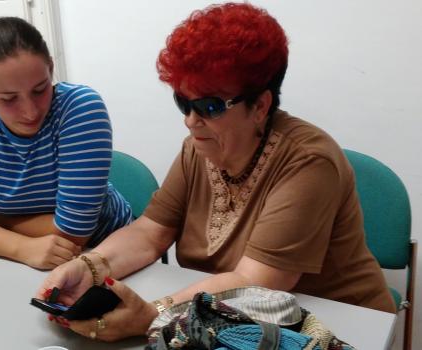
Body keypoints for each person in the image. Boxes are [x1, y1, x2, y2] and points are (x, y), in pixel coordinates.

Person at [38, 2, 396, 342]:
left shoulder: (309, 163)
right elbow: (149, 234)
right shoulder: (197, 148)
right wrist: (91, 266)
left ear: (260, 105)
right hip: (234, 323)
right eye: (183, 101)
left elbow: (256, 281)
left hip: (339, 327)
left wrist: (155, 315)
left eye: (209, 106)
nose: (190, 120)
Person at [0, 17, 132, 270]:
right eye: (8, 98)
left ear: (50, 67)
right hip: (26, 256)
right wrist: (20, 247)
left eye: (40, 90)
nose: (29, 112)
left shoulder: (80, 108)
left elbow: (73, 233)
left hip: (106, 248)